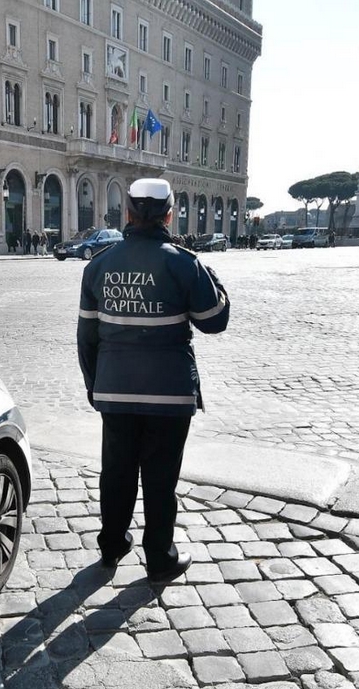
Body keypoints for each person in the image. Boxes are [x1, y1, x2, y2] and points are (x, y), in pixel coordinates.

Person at [76, 178, 229, 583]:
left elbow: (86, 336)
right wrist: (213, 280)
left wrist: (95, 385)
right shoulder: (183, 262)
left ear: (126, 213)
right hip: (170, 393)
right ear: (169, 214)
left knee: (116, 472)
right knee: (161, 479)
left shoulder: (99, 264)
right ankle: (159, 558)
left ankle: (111, 545)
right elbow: (215, 321)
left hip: (115, 388)